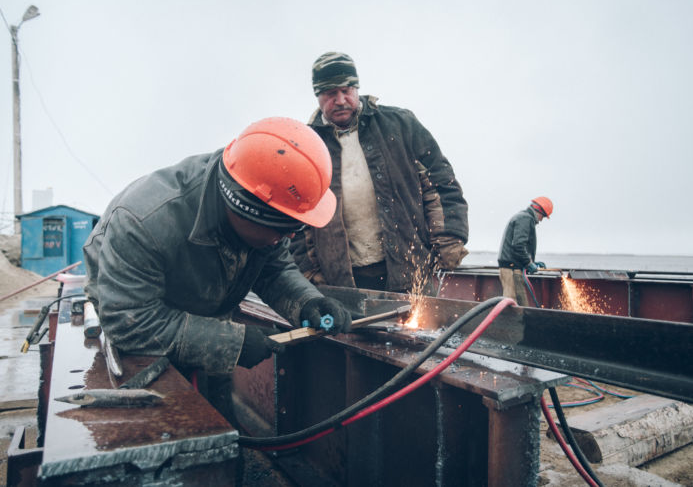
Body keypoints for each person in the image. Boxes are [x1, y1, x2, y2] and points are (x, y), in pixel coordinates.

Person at [83, 117, 352, 419]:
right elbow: (130, 322)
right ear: (243, 209)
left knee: (217, 411)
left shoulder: (265, 203)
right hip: (134, 310)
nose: (290, 236)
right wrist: (230, 342)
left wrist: (308, 302)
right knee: (165, 413)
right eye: (284, 227)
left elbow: (274, 269)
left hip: (200, 297)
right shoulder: (143, 223)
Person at [291, 51, 469, 294]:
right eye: (330, 93)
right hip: (341, 283)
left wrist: (450, 235)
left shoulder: (400, 124)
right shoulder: (305, 145)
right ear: (317, 96)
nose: (341, 100)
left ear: (357, 88)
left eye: (347, 90)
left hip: (411, 270)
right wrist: (308, 270)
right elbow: (294, 217)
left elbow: (442, 183)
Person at [497, 196, 553, 306]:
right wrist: (528, 263)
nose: (541, 220)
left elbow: (520, 246)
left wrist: (531, 261)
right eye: (543, 216)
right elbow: (518, 245)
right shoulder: (525, 219)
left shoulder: (523, 217)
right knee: (512, 304)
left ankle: (520, 323)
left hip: (514, 267)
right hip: (511, 268)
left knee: (521, 305)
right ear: (539, 211)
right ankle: (510, 323)